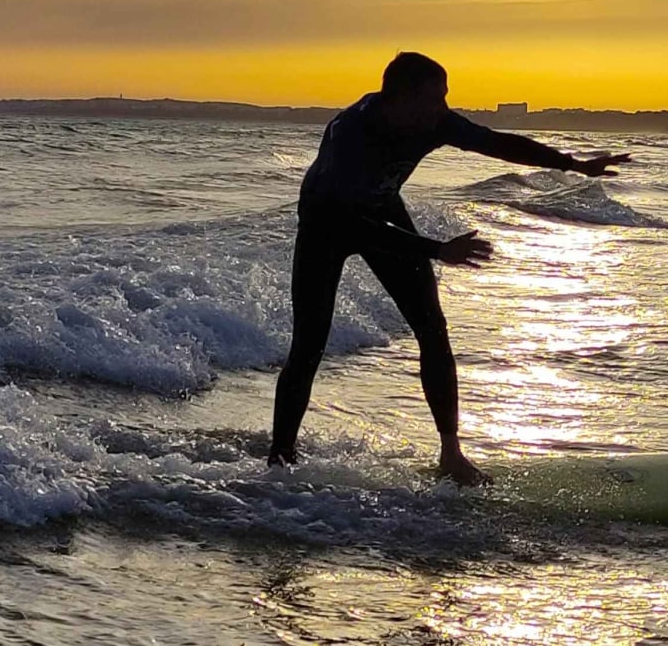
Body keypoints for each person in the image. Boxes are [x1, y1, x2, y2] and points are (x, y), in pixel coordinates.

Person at [268, 52, 628, 485]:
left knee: (433, 330)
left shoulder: (433, 123)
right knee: (309, 346)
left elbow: (496, 143)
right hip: (329, 224)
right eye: (435, 97)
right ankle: (280, 458)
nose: (443, 107)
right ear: (400, 97)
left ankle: (451, 454)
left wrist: (574, 165)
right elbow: (353, 225)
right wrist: (436, 250)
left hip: (382, 210)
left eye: (445, 97)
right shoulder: (352, 134)